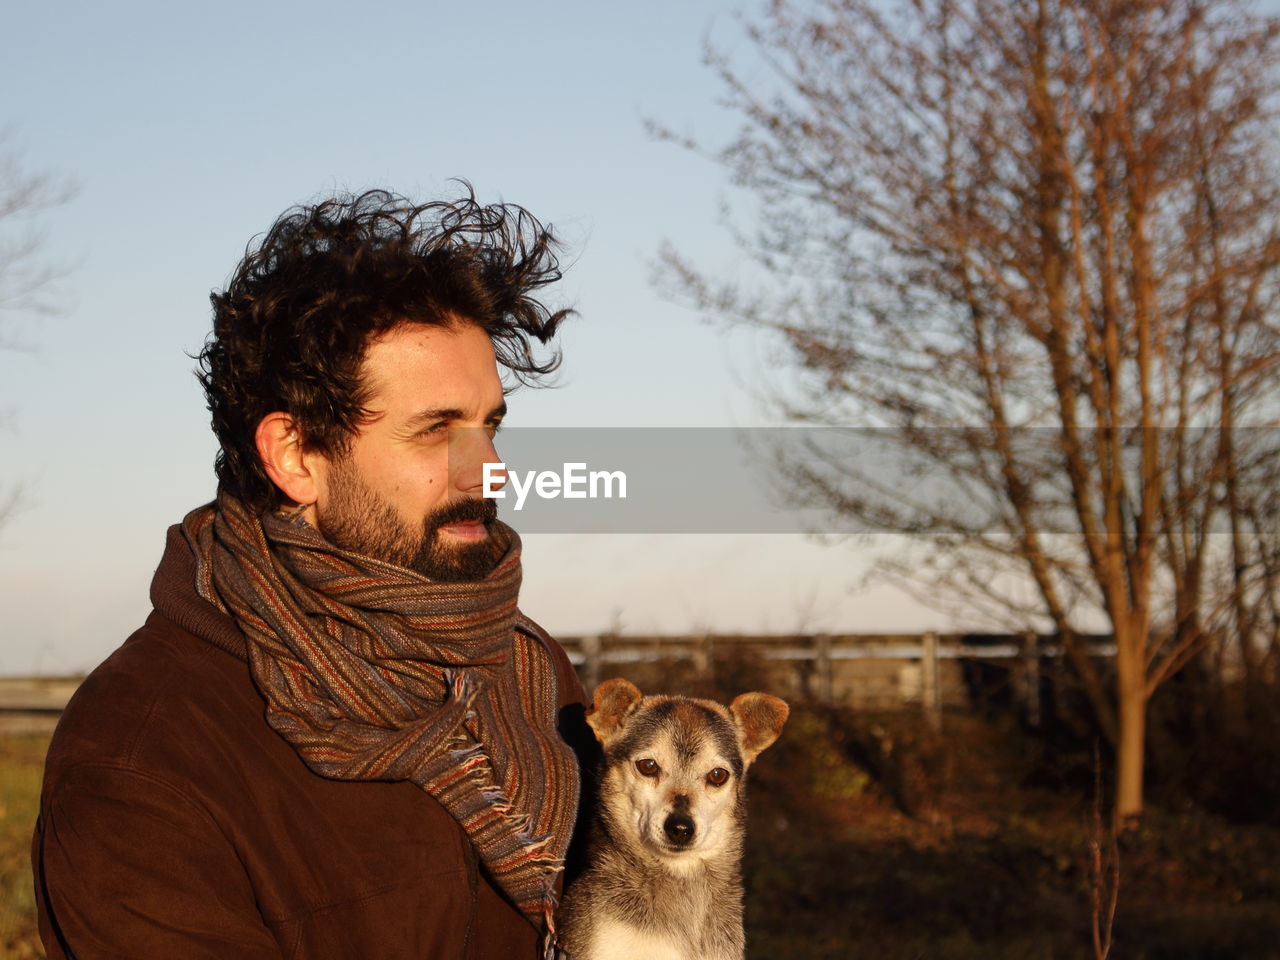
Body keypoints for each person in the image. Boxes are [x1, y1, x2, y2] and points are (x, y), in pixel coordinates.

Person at [31, 188, 591, 959]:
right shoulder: (145, 756)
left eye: (488, 426)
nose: (488, 473)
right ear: (295, 456)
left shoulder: (529, 669)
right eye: (436, 431)